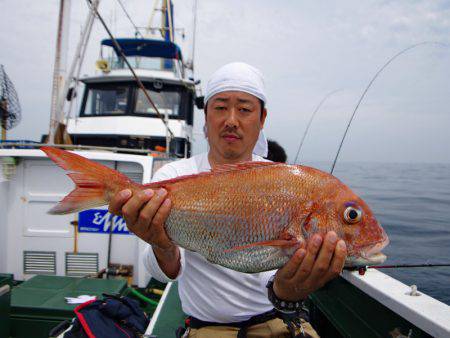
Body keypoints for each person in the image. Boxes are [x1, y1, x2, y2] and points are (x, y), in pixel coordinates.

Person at [108, 62, 347, 337]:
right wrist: (161, 244)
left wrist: (288, 289)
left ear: (262, 118)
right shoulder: (174, 176)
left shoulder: (280, 179)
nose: (231, 119)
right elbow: (163, 274)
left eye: (244, 109)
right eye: (220, 107)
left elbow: (274, 268)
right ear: (206, 116)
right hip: (208, 328)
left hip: (277, 319)